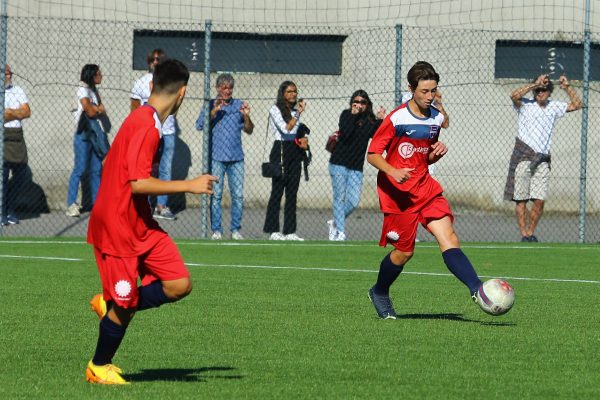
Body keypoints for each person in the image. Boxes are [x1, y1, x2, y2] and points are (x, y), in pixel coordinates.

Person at [85, 59, 217, 384]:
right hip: (117, 227)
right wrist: (189, 185)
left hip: (139, 223)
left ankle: (111, 304)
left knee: (178, 284)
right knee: (126, 305)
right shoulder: (145, 125)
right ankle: (99, 366)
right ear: (182, 92)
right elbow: (137, 183)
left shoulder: (149, 120)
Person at [366, 61, 483, 320]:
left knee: (449, 237)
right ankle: (380, 291)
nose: (430, 97)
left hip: (426, 188)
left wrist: (434, 155)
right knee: (404, 252)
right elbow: (373, 154)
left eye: (434, 91)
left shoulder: (436, 119)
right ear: (411, 89)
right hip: (398, 195)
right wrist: (393, 171)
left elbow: (422, 157)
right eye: (424, 91)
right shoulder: (396, 118)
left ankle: (478, 290)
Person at [504, 74, 582, 242]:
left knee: (539, 199)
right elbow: (514, 95)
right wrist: (534, 84)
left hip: (543, 159)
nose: (540, 92)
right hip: (523, 155)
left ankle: (531, 232)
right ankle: (524, 234)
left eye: (543, 90)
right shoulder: (525, 105)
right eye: (538, 90)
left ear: (549, 92)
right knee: (521, 198)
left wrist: (567, 87)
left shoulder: (554, 107)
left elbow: (577, 105)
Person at [196, 73, 254, 240]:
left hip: (237, 158)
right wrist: (214, 111)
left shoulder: (239, 105)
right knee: (216, 195)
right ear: (217, 88)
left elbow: (249, 130)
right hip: (217, 158)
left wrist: (246, 116)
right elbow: (200, 125)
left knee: (238, 195)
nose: (228, 91)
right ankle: (216, 230)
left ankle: (235, 230)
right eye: (224, 88)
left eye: (230, 88)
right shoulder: (210, 104)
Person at [327, 90, 385, 241]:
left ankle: (335, 222)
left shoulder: (370, 120)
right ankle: (340, 232)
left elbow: (377, 135)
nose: (359, 105)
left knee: (353, 201)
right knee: (339, 198)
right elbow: (346, 133)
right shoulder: (346, 115)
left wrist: (380, 120)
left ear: (367, 104)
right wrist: (353, 115)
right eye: (356, 102)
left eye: (362, 102)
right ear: (352, 103)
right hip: (338, 163)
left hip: (356, 167)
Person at [131, 48, 179, 221]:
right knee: (147, 169)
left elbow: (175, 107)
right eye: (153, 59)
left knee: (165, 169)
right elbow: (135, 108)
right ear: (149, 62)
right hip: (149, 132)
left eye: (159, 60)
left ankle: (162, 205)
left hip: (168, 132)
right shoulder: (140, 83)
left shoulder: (171, 82)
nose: (156, 62)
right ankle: (144, 205)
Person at [263, 81, 308, 241]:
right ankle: (273, 230)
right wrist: (298, 115)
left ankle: (290, 231)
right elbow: (285, 129)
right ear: (283, 94)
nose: (293, 94)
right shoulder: (275, 109)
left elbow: (297, 132)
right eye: (289, 92)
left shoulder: (296, 110)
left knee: (292, 193)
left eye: (295, 91)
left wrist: (304, 140)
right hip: (280, 150)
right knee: (277, 192)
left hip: (294, 151)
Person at [66, 64, 109, 217]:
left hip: (95, 135)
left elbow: (97, 108)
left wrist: (96, 107)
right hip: (83, 134)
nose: (101, 76)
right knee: (80, 169)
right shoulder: (82, 89)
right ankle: (71, 204)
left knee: (96, 170)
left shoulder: (93, 91)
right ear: (92, 75)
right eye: (98, 73)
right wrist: (98, 108)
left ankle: (97, 204)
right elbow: (90, 111)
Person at [2, 64, 31, 226]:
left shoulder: (18, 90)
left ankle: (10, 209)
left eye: (10, 73)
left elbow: (26, 112)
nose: (9, 76)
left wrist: (9, 112)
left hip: (16, 137)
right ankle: (2, 211)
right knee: (3, 177)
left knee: (21, 174)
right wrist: (16, 112)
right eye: (6, 73)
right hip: (3, 137)